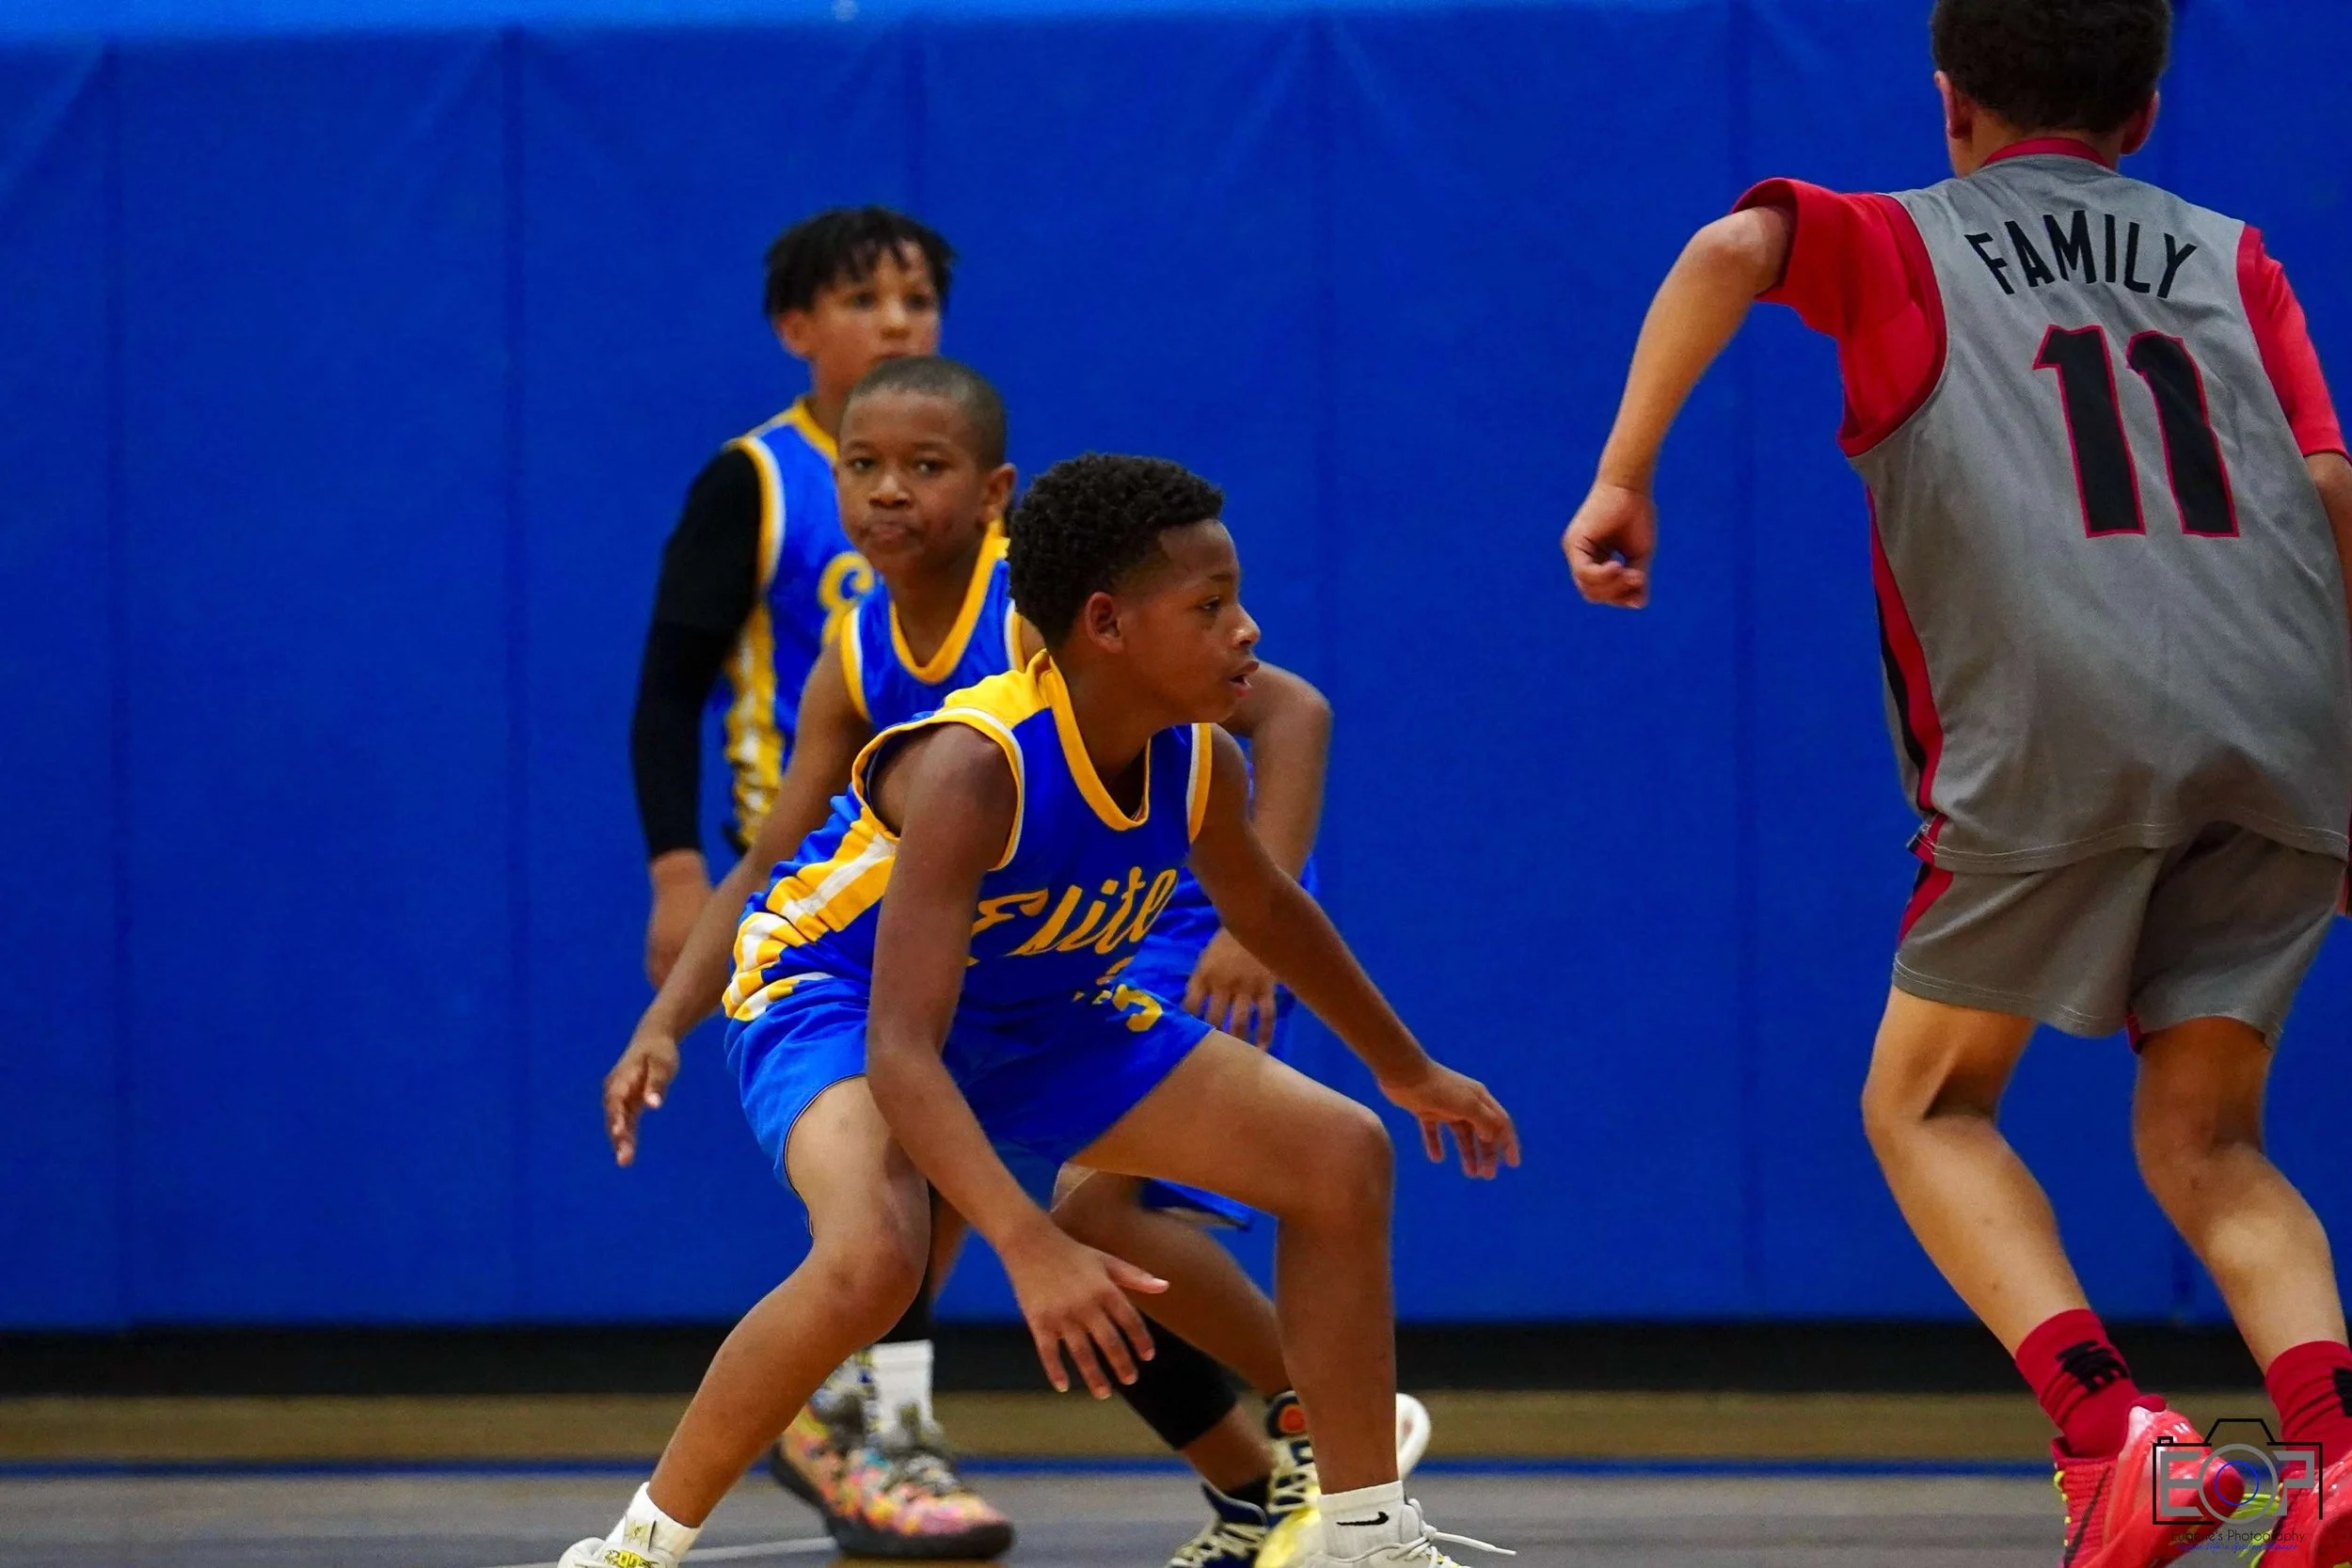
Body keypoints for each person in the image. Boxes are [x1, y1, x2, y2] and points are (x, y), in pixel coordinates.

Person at [1561, 2, 2352, 1562]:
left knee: (1926, 1098)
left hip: (2063, 723)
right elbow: (2326, 483)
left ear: (1950, 105)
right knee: (2210, 1137)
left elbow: (1735, 246)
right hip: (2287, 721)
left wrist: (1625, 466)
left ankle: (2115, 1433)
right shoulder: (2232, 251)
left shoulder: (1909, 240)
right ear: (2144, 111)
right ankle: (2332, 1453)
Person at [565, 452, 1518, 1568]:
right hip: (832, 991)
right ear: (1106, 624)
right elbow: (903, 1049)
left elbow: (1268, 909)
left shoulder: (1199, 759)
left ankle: (1366, 1540)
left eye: (1238, 599)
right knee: (875, 1256)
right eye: (1211, 608)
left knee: (1342, 1150)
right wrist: (1027, 1243)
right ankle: (636, 1546)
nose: (1248, 631)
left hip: (1033, 999)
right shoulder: (981, 767)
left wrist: (1406, 1068)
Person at [623, 207, 1005, 1556]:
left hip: (968, 873)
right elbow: (668, 687)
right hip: (819, 870)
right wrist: (680, 866)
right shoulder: (761, 482)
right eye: (865, 299)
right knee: (891, 1164)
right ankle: (855, 1417)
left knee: (952, 1156)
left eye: (917, 298)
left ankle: (876, 1411)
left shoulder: (976, 496)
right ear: (799, 327)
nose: (899, 320)